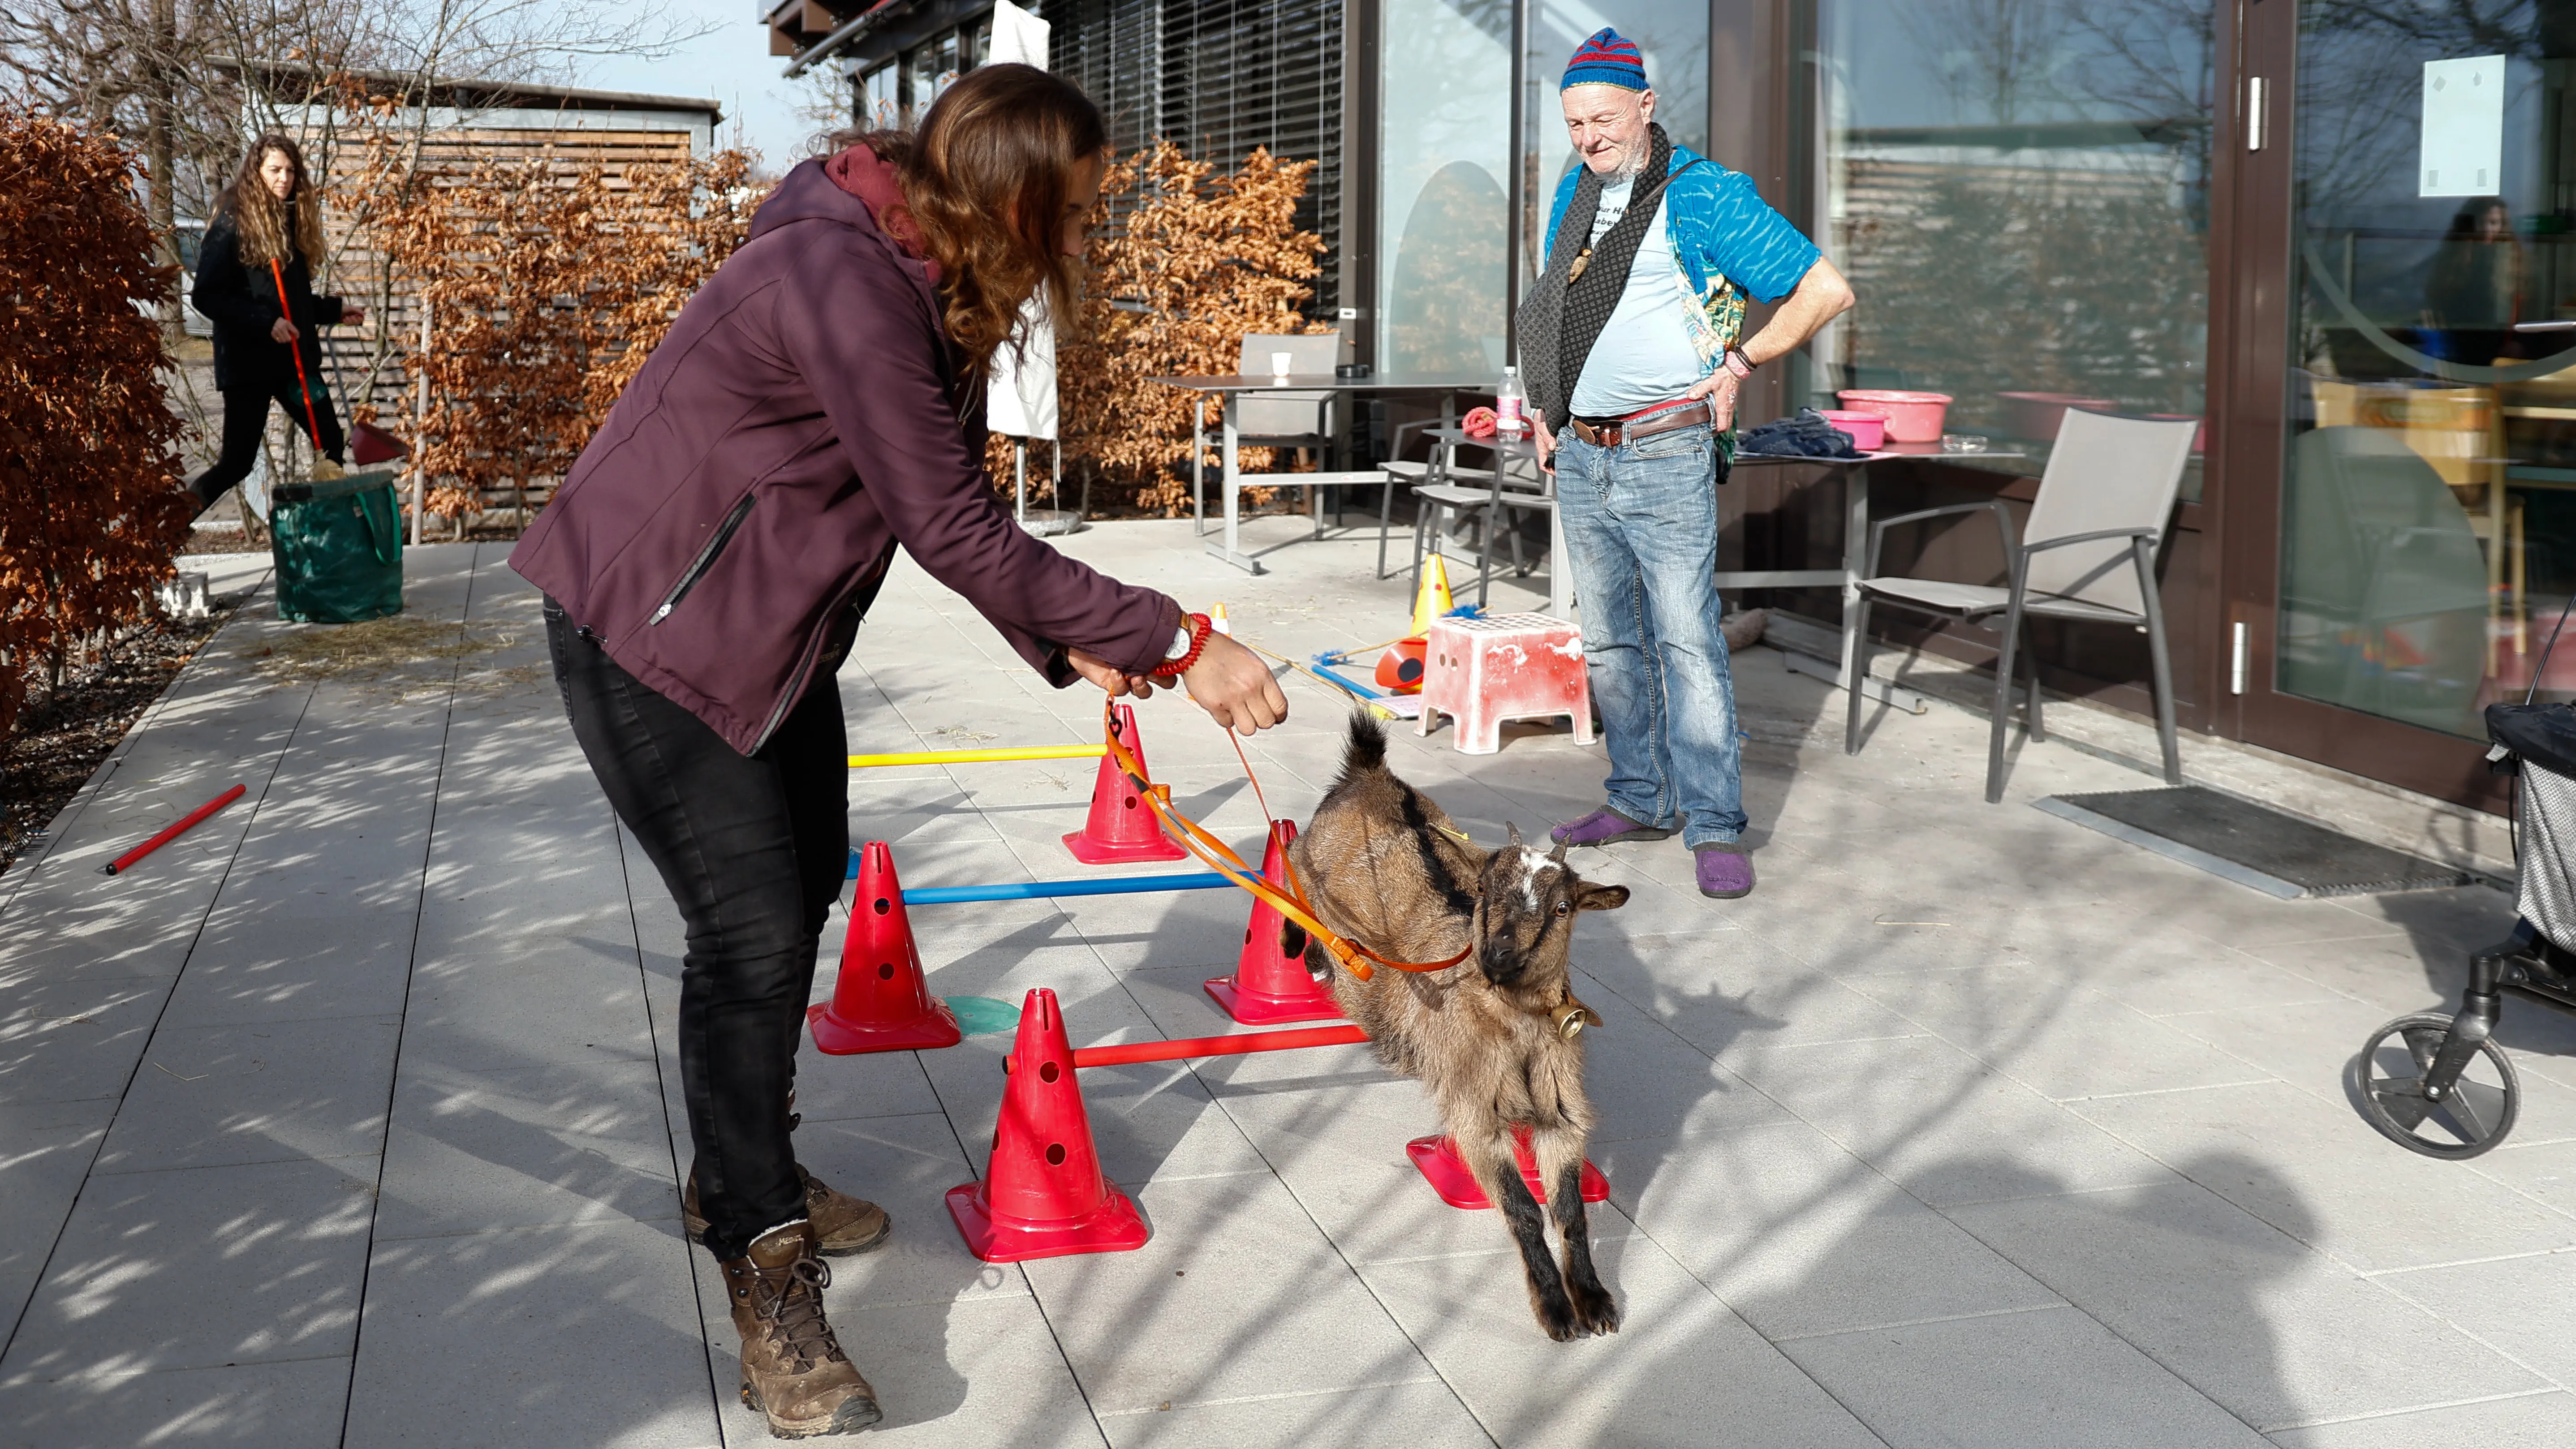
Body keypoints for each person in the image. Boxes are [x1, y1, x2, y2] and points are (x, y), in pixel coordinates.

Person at [507, 64, 1286, 1439]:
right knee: (746, 935)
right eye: (1073, 212)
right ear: (1007, 200)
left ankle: (746, 1164)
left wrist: (1061, 643)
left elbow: (942, 498)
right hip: (649, 630)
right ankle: (764, 1265)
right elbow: (952, 527)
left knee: (799, 886)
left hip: (757, 633)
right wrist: (1174, 637)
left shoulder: (920, 274)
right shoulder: (848, 285)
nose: (1079, 241)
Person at [1520, 28, 1855, 901]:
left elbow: (1824, 290)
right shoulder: (1573, 187)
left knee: (1685, 640)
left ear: (1645, 107)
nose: (1587, 138)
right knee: (1608, 644)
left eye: (1601, 119)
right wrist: (1544, 408)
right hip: (1583, 453)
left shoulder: (1704, 195)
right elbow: (1556, 304)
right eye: (1572, 122)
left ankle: (1712, 823)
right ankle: (1638, 798)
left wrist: (1741, 364)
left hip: (1664, 446)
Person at [187, 133, 361, 512]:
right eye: (275, 170)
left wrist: (332, 311)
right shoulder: (231, 221)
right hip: (249, 365)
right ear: (256, 172)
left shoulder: (287, 220)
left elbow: (291, 301)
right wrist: (265, 322)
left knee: (330, 440)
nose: (284, 178)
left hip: (294, 365)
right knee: (237, 462)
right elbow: (207, 295)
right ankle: (166, 529)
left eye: (290, 171)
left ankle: (336, 536)